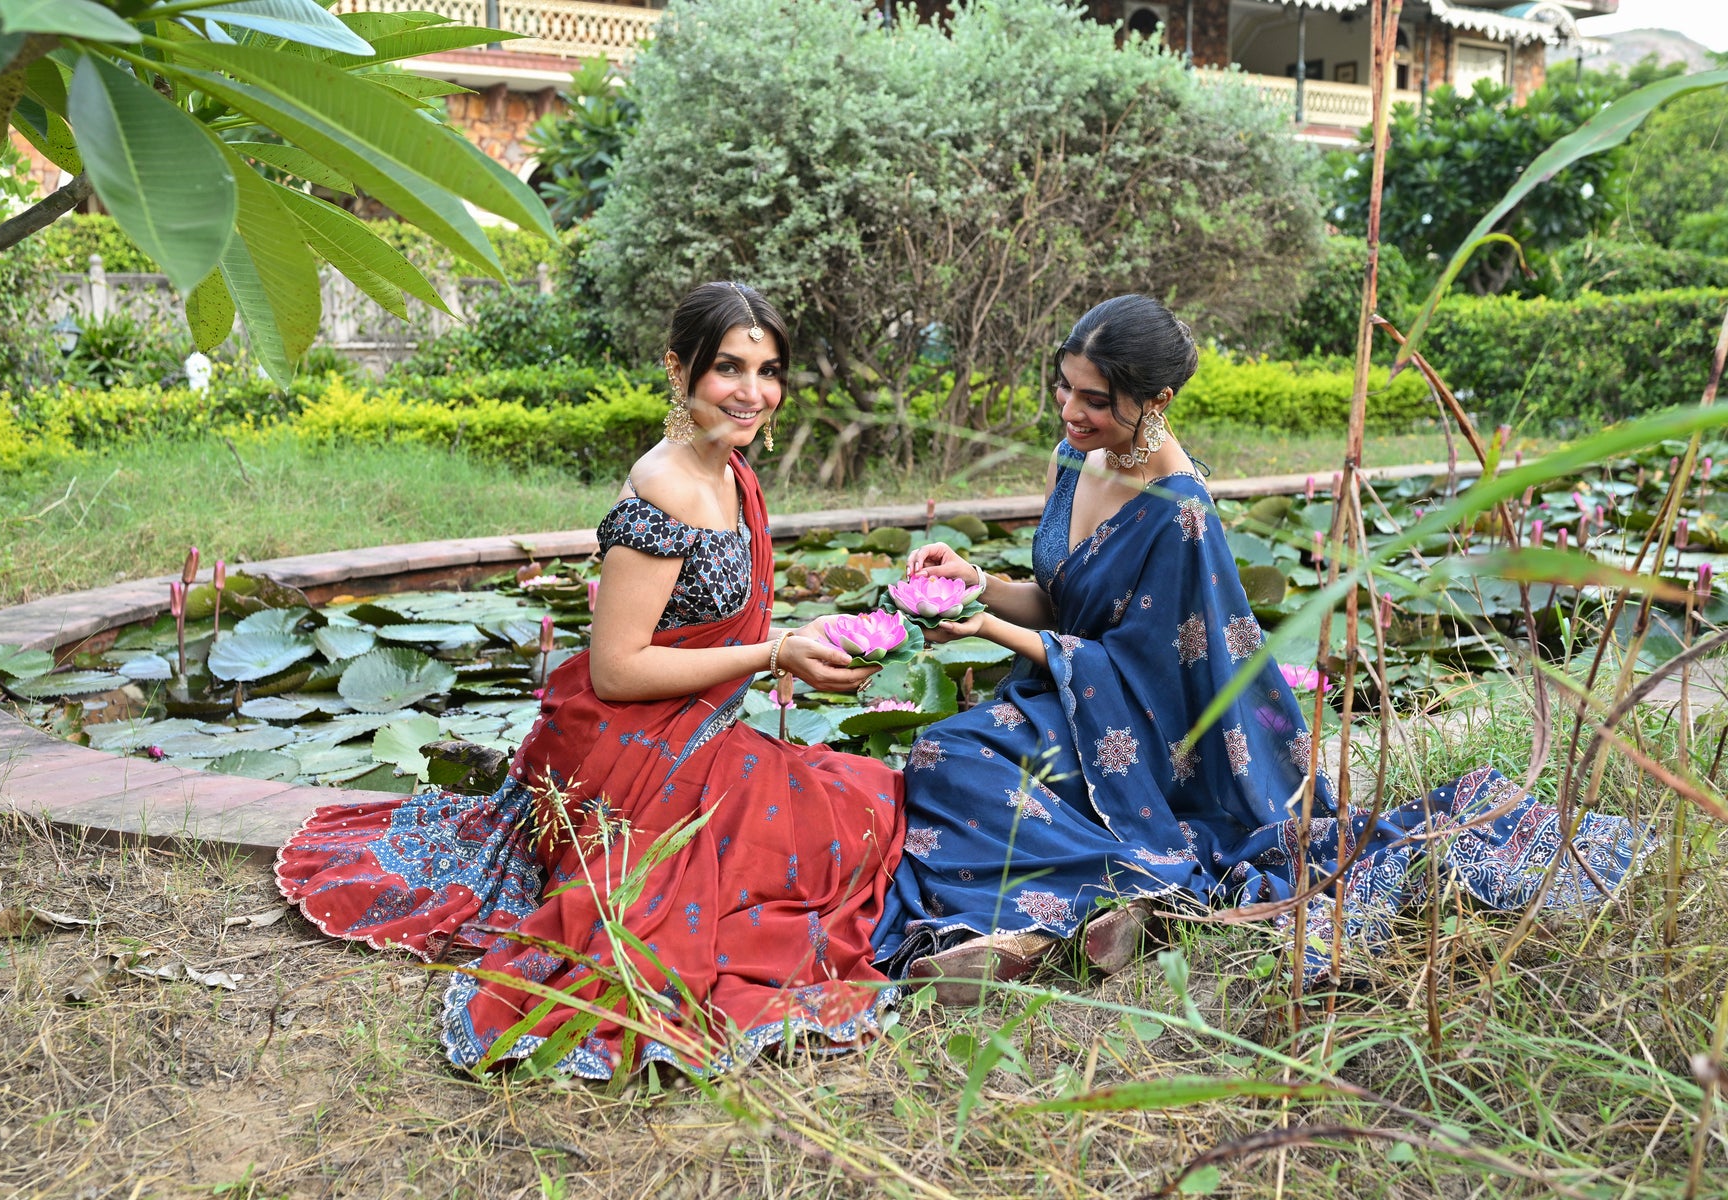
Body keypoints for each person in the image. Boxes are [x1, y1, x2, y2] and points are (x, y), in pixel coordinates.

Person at [870, 294, 1654, 1001]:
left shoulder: (1179, 509)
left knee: (951, 757)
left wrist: (988, 630)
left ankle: (1135, 895)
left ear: (1156, 401)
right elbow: (1060, 601)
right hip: (1061, 699)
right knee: (946, 758)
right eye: (1064, 388)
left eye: (1096, 400)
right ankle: (1064, 921)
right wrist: (977, 583)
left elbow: (1147, 672)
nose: (1071, 412)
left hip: (1140, 737)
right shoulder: (1073, 459)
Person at [277, 282, 906, 1075]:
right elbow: (616, 670)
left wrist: (802, 641)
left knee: (862, 803)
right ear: (678, 370)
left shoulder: (729, 470)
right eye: (729, 368)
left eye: (769, 370)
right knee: (775, 864)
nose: (753, 392)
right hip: (626, 749)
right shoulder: (664, 491)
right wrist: (773, 653)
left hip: (692, 731)